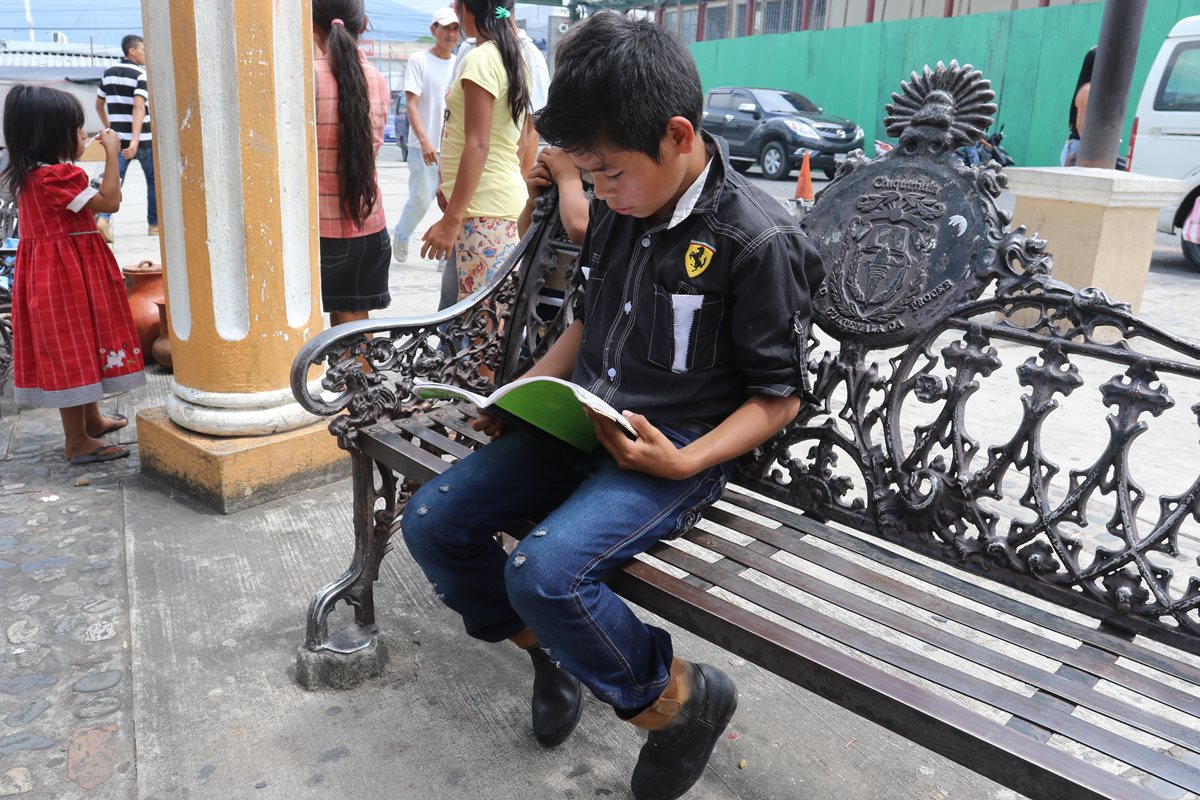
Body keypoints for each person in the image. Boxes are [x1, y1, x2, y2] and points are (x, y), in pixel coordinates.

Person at [399, 13, 824, 800]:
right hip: (582, 418)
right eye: (586, 177)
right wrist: (521, 396)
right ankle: (551, 652)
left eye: (609, 174)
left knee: (545, 572)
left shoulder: (756, 240)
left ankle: (676, 704)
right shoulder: (623, 210)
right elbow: (590, 323)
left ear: (677, 135)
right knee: (433, 523)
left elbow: (779, 398)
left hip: (673, 450)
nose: (598, 193)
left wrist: (686, 460)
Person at [2, 85, 144, 464]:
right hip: (66, 277)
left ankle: (91, 420)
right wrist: (113, 154)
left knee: (83, 343)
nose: (85, 136)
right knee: (72, 349)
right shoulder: (58, 175)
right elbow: (111, 202)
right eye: (78, 129)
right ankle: (77, 441)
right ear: (52, 134)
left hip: (59, 273)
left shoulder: (35, 174)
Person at [420, 0, 529, 304]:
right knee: (482, 326)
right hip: (491, 209)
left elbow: (477, 144)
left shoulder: (481, 59)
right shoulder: (508, 54)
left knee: (482, 335)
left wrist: (451, 220)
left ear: (469, 8)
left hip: (484, 213)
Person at [313, 0, 393, 326]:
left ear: (312, 25)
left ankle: (355, 380)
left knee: (344, 332)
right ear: (364, 24)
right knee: (355, 326)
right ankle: (362, 380)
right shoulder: (377, 79)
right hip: (369, 222)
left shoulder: (308, 77)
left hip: (325, 230)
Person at [391, 7, 460, 266]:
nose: (451, 34)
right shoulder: (419, 60)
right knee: (420, 199)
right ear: (434, 30)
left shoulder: (460, 62)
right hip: (423, 146)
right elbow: (411, 104)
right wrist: (424, 140)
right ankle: (402, 234)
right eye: (446, 28)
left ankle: (447, 256)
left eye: (455, 28)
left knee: (454, 203)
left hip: (452, 147)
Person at [94, 33, 156, 242]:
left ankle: (103, 220)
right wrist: (135, 140)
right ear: (132, 51)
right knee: (153, 182)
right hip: (143, 139)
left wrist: (109, 128)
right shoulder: (141, 74)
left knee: (113, 180)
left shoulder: (108, 73)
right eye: (143, 49)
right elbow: (139, 106)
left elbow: (99, 104)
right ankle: (154, 225)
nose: (146, 54)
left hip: (118, 140)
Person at [1062, 47, 1096, 167]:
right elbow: (1081, 125)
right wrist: (1093, 151)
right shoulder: (1087, 90)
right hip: (1080, 147)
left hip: (1081, 146)